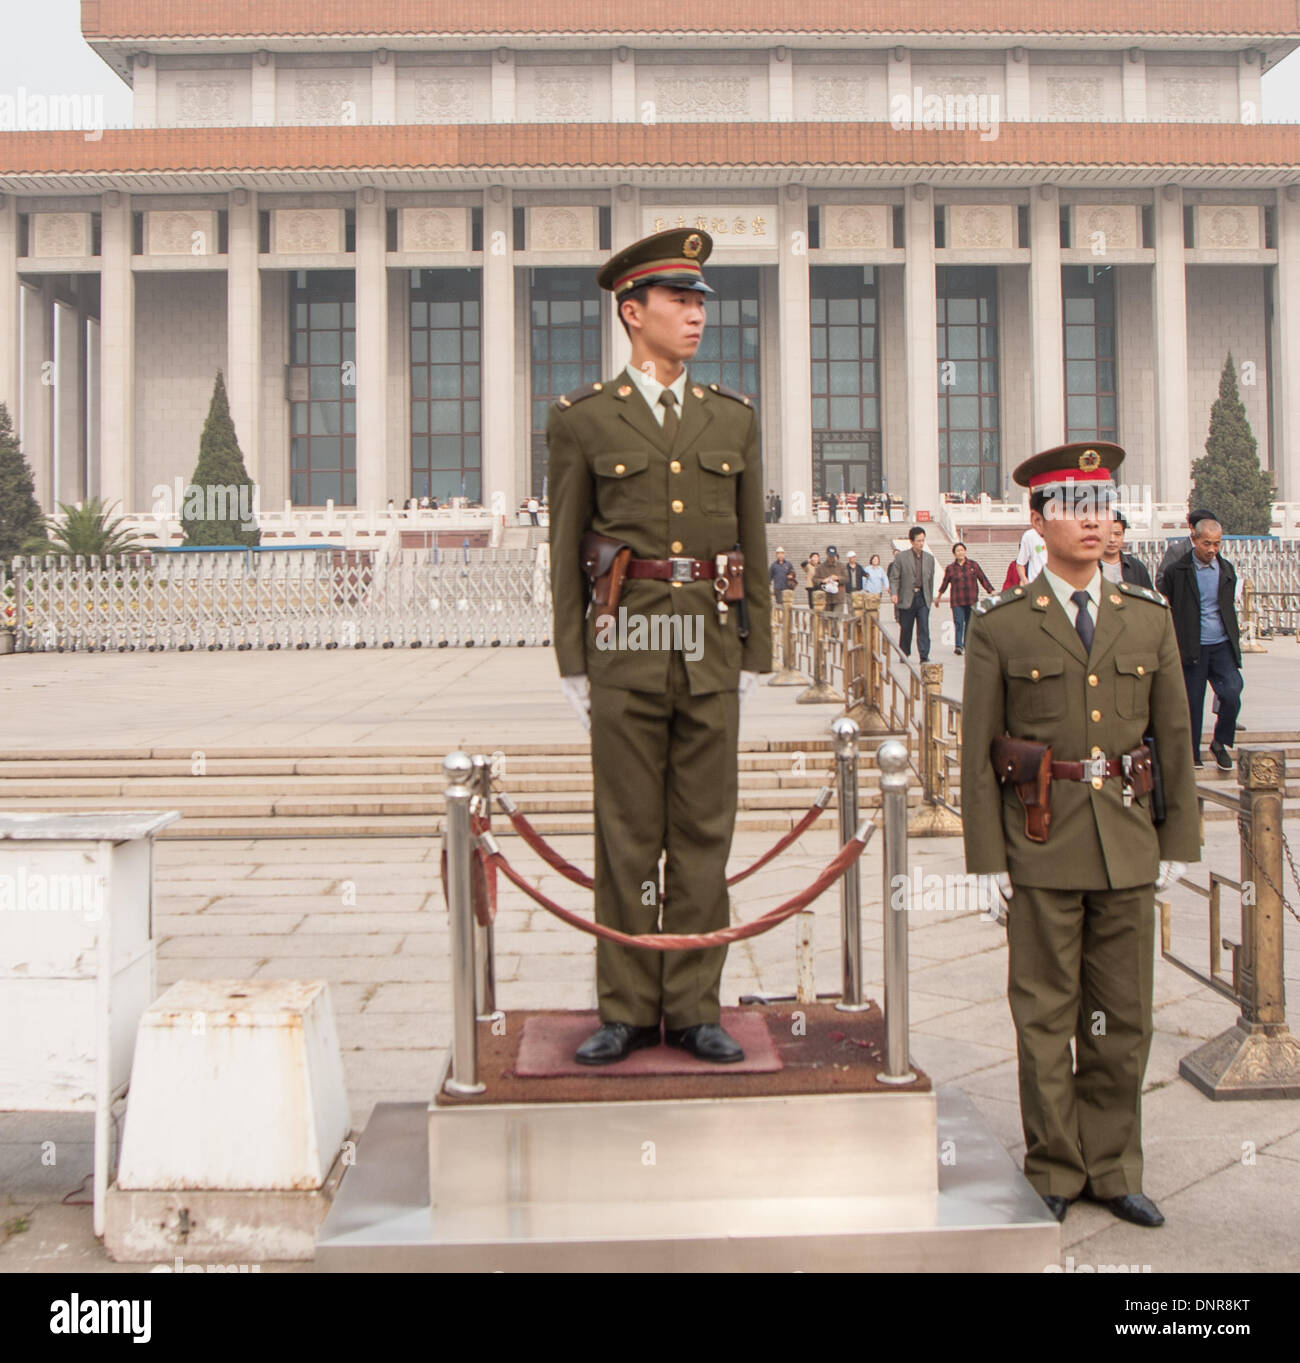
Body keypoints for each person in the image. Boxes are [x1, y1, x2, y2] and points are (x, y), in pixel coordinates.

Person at [961, 440, 1200, 1231]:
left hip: (1127, 840)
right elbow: (977, 752)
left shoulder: (1146, 617)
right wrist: (988, 860)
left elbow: (1175, 738)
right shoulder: (1003, 626)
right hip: (1041, 839)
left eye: (1103, 506)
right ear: (1038, 519)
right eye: (1074, 507)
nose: (1095, 522)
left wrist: (1175, 845)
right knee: (1045, 1012)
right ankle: (1055, 1164)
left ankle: (1115, 1165)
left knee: (1123, 1015)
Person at [547, 228, 771, 1066]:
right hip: (628, 648)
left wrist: (755, 655)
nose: (696, 314)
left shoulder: (731, 417)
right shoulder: (582, 422)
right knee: (628, 835)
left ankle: (695, 1001)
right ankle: (629, 1005)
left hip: (709, 647)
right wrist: (574, 661)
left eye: (701, 300)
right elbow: (567, 546)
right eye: (679, 300)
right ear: (631, 312)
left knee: (706, 831)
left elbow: (750, 538)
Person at [1162, 518, 1243, 770]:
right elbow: (1167, 604)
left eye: (1217, 544)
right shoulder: (1177, 571)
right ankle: (1191, 752)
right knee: (1192, 702)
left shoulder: (1226, 569)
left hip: (1221, 644)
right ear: (1194, 540)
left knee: (1231, 693)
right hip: (1191, 646)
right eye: (1206, 543)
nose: (1211, 549)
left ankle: (1220, 742)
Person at [887, 525, 936, 661]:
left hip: (922, 597)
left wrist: (929, 598)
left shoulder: (929, 558)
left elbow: (930, 579)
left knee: (924, 628)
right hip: (907, 597)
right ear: (911, 541)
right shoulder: (902, 557)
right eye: (918, 540)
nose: (921, 543)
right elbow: (894, 577)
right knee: (906, 628)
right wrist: (894, 593)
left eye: (923, 540)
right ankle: (904, 653)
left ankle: (924, 655)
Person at [935, 541, 994, 655]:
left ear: (965, 551)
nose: (960, 552)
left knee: (970, 623)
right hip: (957, 600)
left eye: (962, 550)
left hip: (971, 600)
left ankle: (967, 644)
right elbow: (944, 583)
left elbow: (983, 579)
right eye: (958, 551)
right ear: (954, 554)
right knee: (958, 622)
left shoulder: (973, 565)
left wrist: (990, 590)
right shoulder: (950, 568)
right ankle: (958, 646)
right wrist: (938, 597)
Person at [1155, 508, 1216, 596]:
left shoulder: (1213, 552)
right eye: (1205, 527)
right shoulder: (1177, 551)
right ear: (1192, 528)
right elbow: (1160, 581)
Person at [1101, 512, 1152, 589]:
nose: (1112, 540)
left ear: (1123, 535)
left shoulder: (1137, 568)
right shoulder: (1088, 567)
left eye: (1117, 534)